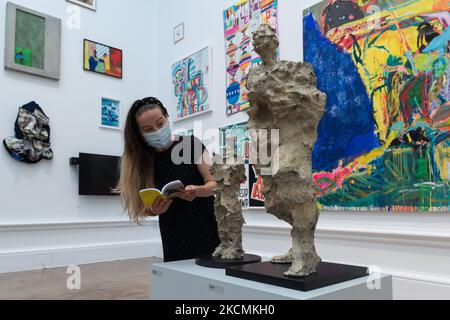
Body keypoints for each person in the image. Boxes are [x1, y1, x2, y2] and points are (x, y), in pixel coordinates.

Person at [116, 97, 220, 262]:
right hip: (173, 235)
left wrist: (198, 191)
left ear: (167, 117)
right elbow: (141, 206)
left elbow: (215, 184)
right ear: (140, 134)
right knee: (178, 281)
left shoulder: (190, 145)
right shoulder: (141, 161)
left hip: (206, 227)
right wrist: (154, 210)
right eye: (148, 129)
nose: (157, 131)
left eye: (160, 123)